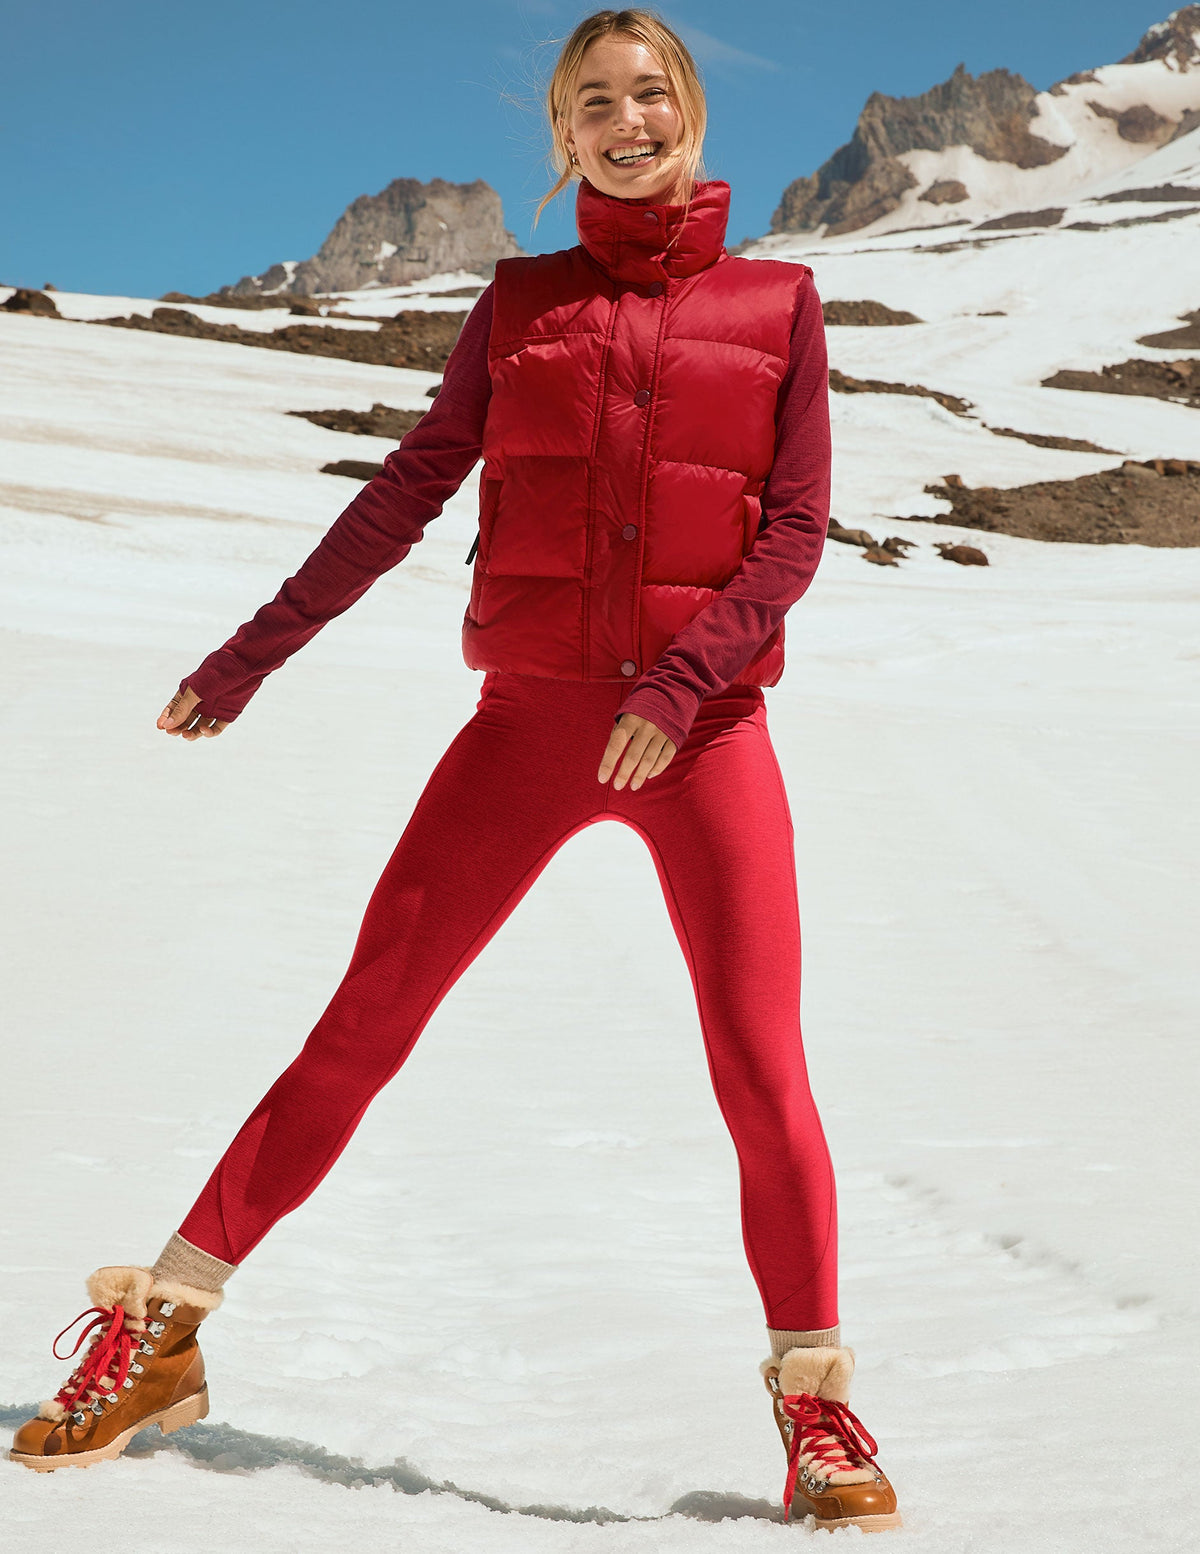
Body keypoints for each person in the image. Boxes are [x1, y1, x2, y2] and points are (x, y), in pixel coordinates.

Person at [10, 7, 901, 1531]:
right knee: (363, 1023)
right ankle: (161, 1335)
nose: (627, 120)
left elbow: (796, 531)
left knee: (761, 1069)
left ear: (692, 113)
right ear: (561, 138)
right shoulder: (521, 305)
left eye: (651, 93)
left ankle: (815, 1407)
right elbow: (407, 492)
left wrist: (684, 681)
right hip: (528, 726)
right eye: (593, 102)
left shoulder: (780, 303)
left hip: (703, 734)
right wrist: (252, 654)